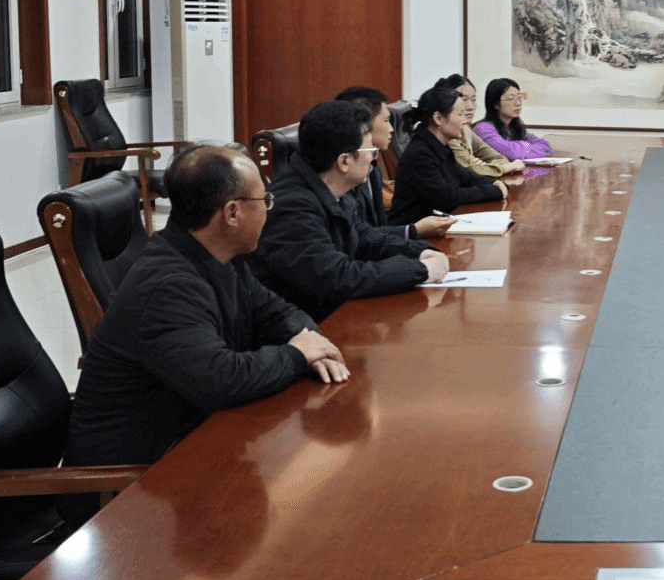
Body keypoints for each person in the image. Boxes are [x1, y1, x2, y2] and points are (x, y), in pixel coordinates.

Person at [65, 145, 349, 467]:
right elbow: (222, 380)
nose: (268, 210)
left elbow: (276, 312)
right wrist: (297, 355)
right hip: (135, 476)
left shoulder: (221, 255)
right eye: (264, 201)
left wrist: (311, 341)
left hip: (191, 438)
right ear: (232, 213)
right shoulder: (167, 287)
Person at [247, 101, 449, 322]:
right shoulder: (291, 206)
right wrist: (419, 269)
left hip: (333, 315)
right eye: (370, 151)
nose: (373, 158)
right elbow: (337, 278)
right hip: (305, 327)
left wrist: (420, 252)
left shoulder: (332, 189)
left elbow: (365, 237)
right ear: (344, 161)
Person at [334, 86, 455, 239]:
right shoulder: (345, 175)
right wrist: (413, 230)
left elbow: (378, 229)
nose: (391, 129)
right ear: (364, 125)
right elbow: (359, 236)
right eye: (386, 121)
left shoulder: (373, 170)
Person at [389, 83, 509, 225]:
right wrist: (493, 191)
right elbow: (449, 197)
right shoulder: (420, 154)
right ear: (438, 118)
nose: (465, 121)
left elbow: (461, 175)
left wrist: (492, 182)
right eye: (460, 114)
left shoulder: (438, 144)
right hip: (415, 231)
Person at [440, 74, 525, 177]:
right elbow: (472, 168)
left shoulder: (465, 129)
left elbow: (498, 158)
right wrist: (504, 168)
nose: (470, 106)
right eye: (464, 99)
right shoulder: (447, 133)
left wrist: (487, 167)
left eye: (473, 100)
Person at [475, 77, 553, 160]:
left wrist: (517, 147)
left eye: (519, 98)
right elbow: (510, 153)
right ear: (495, 104)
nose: (518, 103)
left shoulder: (515, 128)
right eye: (511, 99)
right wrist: (525, 145)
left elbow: (547, 148)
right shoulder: (483, 128)